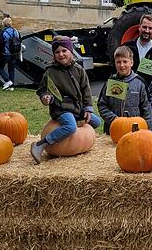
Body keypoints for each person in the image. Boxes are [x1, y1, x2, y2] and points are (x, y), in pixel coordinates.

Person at [31, 36, 102, 164]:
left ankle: (76, 119)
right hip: (61, 108)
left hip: (77, 108)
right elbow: (42, 90)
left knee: (97, 122)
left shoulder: (79, 70)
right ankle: (41, 144)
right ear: (54, 55)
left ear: (71, 51)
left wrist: (88, 109)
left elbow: (86, 90)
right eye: (57, 52)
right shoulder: (50, 72)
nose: (61, 54)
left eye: (64, 51)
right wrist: (45, 97)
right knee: (70, 127)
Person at [98, 46, 152, 135]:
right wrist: (114, 119)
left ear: (131, 62)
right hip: (113, 129)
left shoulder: (140, 83)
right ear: (115, 63)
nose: (122, 65)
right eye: (118, 62)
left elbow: (147, 108)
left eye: (125, 61)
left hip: (135, 130)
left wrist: (147, 130)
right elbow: (102, 105)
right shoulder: (110, 83)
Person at [122, 14, 152, 86]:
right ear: (139, 27)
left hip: (148, 93)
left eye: (150, 28)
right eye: (144, 27)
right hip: (129, 90)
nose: (147, 31)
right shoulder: (126, 47)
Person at [0, 17, 20, 91]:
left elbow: (0, 43)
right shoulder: (16, 31)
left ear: (4, 24)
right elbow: (20, 41)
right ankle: (12, 86)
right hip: (14, 53)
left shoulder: (3, 32)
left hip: (5, 53)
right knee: (11, 69)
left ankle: (7, 80)